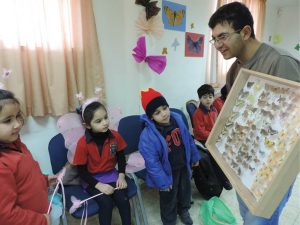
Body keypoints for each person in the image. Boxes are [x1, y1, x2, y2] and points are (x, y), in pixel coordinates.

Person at [208, 2, 300, 225]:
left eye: (223, 37)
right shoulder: (235, 70)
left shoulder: (280, 62)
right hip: (246, 163)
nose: (218, 45)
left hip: (272, 170)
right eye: (214, 39)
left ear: (246, 32)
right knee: (245, 215)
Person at [138, 88, 200, 225]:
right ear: (151, 117)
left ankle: (183, 210)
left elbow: (188, 140)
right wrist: (163, 182)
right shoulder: (147, 136)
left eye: (165, 108)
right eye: (157, 112)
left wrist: (195, 156)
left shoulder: (177, 118)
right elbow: (152, 163)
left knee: (184, 190)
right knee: (169, 198)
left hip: (183, 165)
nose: (164, 114)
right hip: (167, 172)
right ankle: (169, 220)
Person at [0, 89, 55, 225]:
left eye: (18, 116)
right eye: (8, 120)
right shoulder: (2, 165)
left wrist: (45, 179)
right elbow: (6, 215)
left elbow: (25, 178)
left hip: (41, 212)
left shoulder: (16, 143)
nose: (18, 124)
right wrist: (40, 220)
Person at [72, 98, 131, 225]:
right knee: (106, 203)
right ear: (87, 125)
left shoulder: (115, 136)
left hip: (112, 174)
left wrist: (121, 176)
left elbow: (121, 158)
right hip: (92, 180)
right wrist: (99, 186)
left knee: (123, 198)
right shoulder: (82, 144)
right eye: (98, 121)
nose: (105, 123)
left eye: (105, 118)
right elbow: (82, 172)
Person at [192, 84, 232, 190]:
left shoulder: (214, 109)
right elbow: (200, 131)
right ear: (200, 99)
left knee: (226, 149)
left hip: (212, 136)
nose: (208, 100)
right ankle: (223, 180)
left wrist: (220, 132)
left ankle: (225, 175)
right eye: (204, 97)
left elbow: (216, 123)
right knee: (216, 155)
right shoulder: (197, 114)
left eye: (210, 97)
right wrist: (213, 135)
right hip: (203, 139)